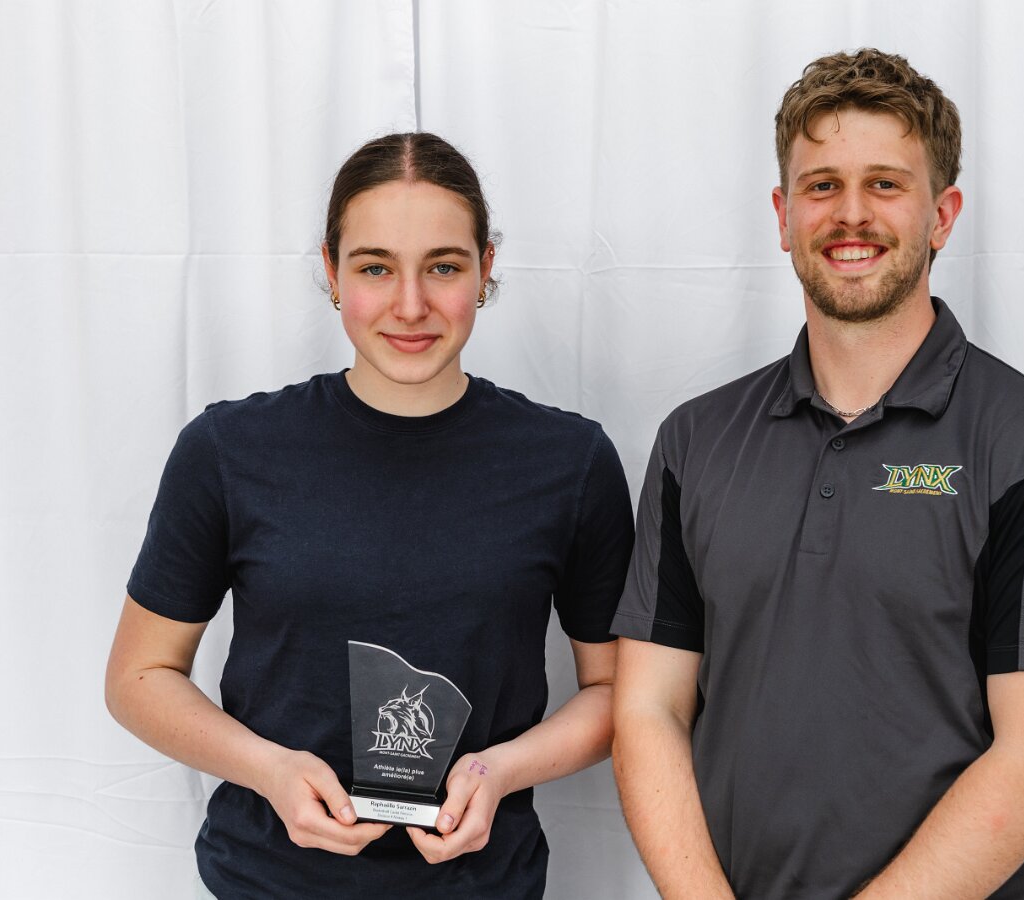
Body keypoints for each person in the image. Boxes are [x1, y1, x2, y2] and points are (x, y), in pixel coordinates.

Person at [610, 48, 1024, 899]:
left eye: (886, 184)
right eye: (821, 186)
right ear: (783, 215)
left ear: (942, 214)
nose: (850, 214)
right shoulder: (696, 442)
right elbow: (648, 711)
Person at [105, 132, 634, 899]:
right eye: (375, 267)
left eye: (443, 267)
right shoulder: (228, 450)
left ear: (485, 268)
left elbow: (618, 692)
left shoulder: (570, 462)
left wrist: (501, 770)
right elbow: (139, 675)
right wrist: (270, 769)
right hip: (264, 882)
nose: (410, 305)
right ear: (331, 270)